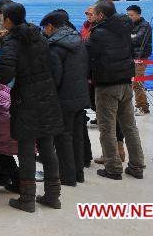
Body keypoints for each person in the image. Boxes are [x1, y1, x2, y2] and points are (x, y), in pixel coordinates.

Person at [0, 2, 64, 213]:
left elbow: (5, 75)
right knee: (47, 147)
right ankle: (53, 196)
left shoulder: (11, 43)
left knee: (25, 149)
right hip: (47, 96)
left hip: (25, 99)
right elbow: (54, 67)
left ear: (8, 20)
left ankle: (27, 198)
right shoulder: (40, 37)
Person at [87, 0, 145, 181]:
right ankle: (137, 165)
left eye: (94, 13)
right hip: (126, 82)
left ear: (101, 15)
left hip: (107, 85)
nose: (92, 16)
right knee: (130, 126)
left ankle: (113, 167)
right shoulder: (125, 26)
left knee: (107, 128)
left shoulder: (98, 34)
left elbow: (89, 58)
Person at [41, 11, 90, 186]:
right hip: (80, 94)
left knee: (63, 138)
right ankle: (78, 174)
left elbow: (55, 77)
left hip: (63, 98)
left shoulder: (55, 47)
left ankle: (67, 176)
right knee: (77, 136)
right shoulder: (78, 40)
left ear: (50, 27)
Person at [126, 5, 152, 116]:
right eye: (128, 15)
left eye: (131, 15)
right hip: (130, 57)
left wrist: (129, 37)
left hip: (140, 58)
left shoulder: (145, 25)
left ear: (138, 14)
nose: (129, 17)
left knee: (137, 82)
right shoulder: (128, 25)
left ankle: (142, 107)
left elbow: (138, 39)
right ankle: (138, 105)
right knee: (130, 83)